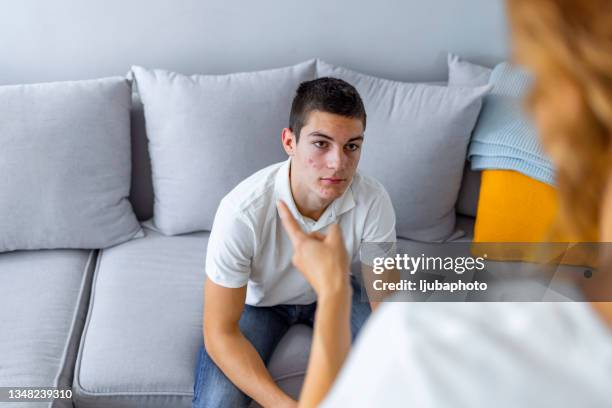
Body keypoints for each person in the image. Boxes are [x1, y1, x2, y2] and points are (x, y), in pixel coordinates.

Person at [277, 1, 612, 407]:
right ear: (289, 143)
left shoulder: (427, 348)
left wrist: (331, 292)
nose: (337, 162)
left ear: (569, 105)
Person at [192, 78, 396, 408]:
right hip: (260, 302)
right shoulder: (240, 212)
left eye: (351, 146)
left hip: (335, 288)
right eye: (321, 144)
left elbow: (387, 306)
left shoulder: (375, 200)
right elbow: (219, 333)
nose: (338, 164)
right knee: (217, 402)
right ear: (290, 141)